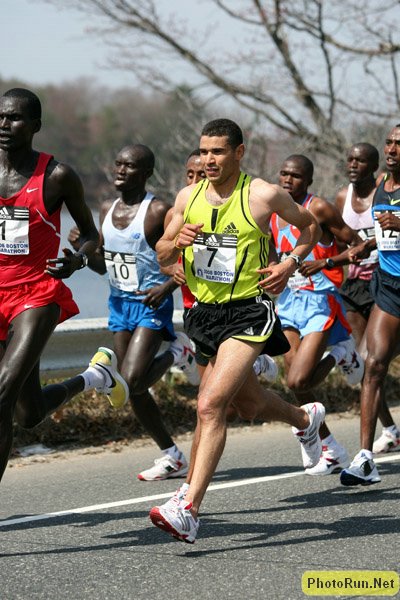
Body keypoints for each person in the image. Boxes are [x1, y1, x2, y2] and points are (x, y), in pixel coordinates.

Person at [149, 118, 325, 543]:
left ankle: (189, 507)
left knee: (209, 405)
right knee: (248, 403)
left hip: (250, 311)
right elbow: (161, 253)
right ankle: (305, 418)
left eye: (218, 152)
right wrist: (177, 245)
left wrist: (289, 263)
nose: (209, 160)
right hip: (205, 314)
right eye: (204, 151)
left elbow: (310, 227)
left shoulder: (263, 194)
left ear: (239, 153)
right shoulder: (187, 196)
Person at [0, 87, 128, 483]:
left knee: (1, 394)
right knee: (29, 413)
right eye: (0, 116)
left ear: (35, 125)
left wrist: (76, 260)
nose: (5, 124)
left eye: (16, 117)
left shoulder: (57, 176)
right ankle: (95, 377)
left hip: (37, 292)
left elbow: (90, 235)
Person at [68, 144, 195, 481]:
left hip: (151, 303)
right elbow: (105, 267)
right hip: (119, 303)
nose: (120, 171)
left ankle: (179, 350)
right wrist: (81, 251)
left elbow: (185, 260)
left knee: (134, 378)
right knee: (127, 386)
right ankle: (172, 455)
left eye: (130, 166)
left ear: (146, 173)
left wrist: (166, 288)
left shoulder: (158, 212)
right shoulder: (106, 208)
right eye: (118, 164)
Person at [269, 154, 365, 476]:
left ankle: (341, 352)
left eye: (295, 176)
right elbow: (274, 253)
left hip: (321, 299)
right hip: (289, 301)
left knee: (300, 378)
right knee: (295, 385)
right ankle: (332, 448)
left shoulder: (320, 208)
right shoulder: (271, 211)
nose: (287, 180)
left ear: (307, 181)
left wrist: (325, 264)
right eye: (284, 173)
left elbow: (357, 245)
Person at [340, 124, 400, 486]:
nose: (392, 148)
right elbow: (386, 235)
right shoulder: (383, 186)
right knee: (373, 364)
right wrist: (367, 245)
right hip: (391, 287)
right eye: (390, 142)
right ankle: (364, 459)